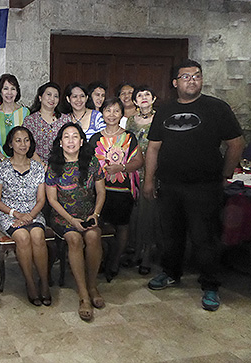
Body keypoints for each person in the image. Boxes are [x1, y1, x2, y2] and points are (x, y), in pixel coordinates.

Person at [144, 59, 245, 311]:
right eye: (186, 77)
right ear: (175, 82)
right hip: (169, 185)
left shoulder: (216, 108)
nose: (192, 80)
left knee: (205, 238)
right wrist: (148, 180)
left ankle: (210, 285)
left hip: (205, 186)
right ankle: (170, 273)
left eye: (196, 76)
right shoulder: (165, 111)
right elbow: (153, 148)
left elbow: (236, 143)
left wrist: (224, 173)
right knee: (171, 235)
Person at [46, 123, 106, 321]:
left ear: (81, 141)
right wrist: (71, 220)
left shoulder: (91, 162)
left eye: (75, 137)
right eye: (66, 137)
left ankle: (92, 285)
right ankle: (83, 295)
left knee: (93, 236)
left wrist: (95, 214)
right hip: (63, 217)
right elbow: (52, 200)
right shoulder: (54, 165)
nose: (70, 141)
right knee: (74, 240)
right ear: (60, 142)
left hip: (89, 215)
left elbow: (101, 192)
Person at [0, 127, 50, 306]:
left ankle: (45, 282)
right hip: (8, 214)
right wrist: (16, 214)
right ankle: (30, 283)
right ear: (10, 144)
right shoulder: (2, 168)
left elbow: (41, 199)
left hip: (33, 213)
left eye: (26, 140)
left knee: (38, 236)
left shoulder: (38, 168)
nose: (23, 144)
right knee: (23, 237)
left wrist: (30, 216)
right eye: (18, 140)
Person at [89, 98, 143, 282]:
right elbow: (88, 163)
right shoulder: (96, 138)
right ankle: (101, 259)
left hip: (122, 190)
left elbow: (138, 161)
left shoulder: (129, 137)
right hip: (100, 191)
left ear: (121, 114)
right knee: (100, 226)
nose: (111, 114)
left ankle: (114, 262)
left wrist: (121, 168)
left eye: (116, 111)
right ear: (102, 113)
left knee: (122, 226)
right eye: (108, 110)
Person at [127, 85, 160, 275]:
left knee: (148, 214)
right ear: (134, 101)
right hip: (132, 172)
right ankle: (135, 251)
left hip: (152, 172)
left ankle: (147, 254)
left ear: (154, 98)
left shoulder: (159, 119)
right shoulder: (130, 120)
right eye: (139, 95)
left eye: (147, 94)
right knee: (134, 214)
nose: (144, 98)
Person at [22, 82, 70, 164]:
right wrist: (41, 164)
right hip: (35, 165)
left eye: (56, 96)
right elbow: (27, 145)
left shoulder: (65, 120)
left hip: (61, 164)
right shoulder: (30, 120)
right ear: (40, 97)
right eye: (49, 94)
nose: (52, 99)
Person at [0, 74, 30, 166]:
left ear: (17, 92)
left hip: (21, 162)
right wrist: (2, 159)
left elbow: (28, 140)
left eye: (13, 89)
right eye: (5, 88)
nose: (9, 92)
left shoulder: (25, 112)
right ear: (0, 92)